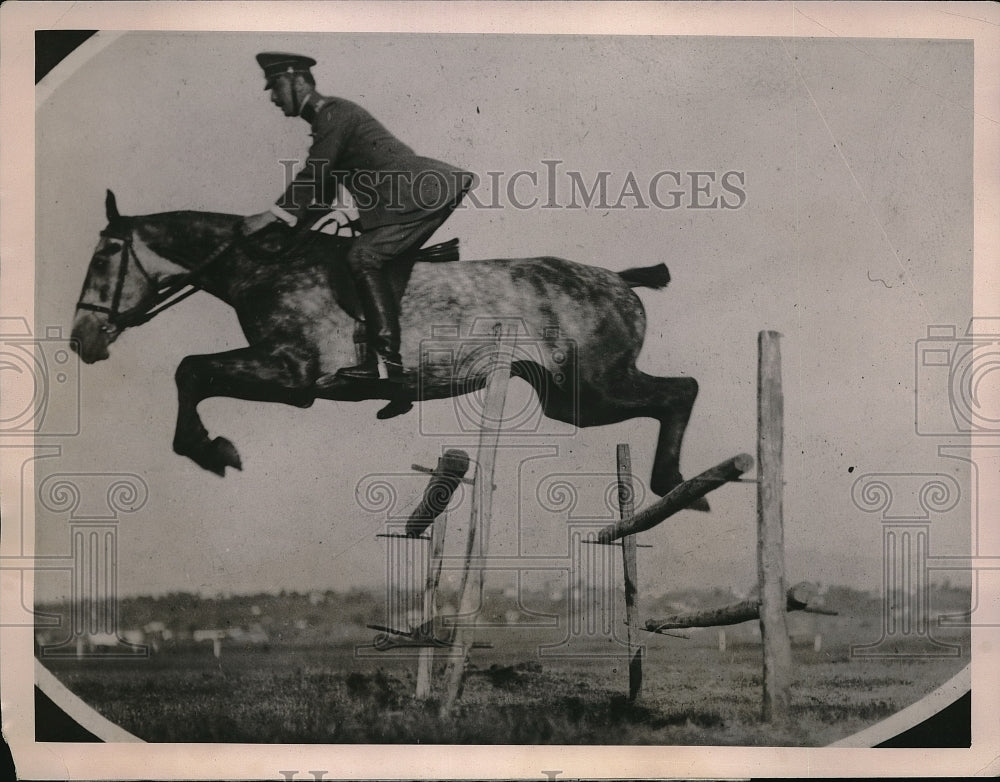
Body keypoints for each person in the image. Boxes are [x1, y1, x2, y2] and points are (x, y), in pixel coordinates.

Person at [244, 52, 473, 382]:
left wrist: (272, 215)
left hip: (419, 193)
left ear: (297, 80)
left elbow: (316, 171)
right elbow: (322, 198)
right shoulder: (328, 122)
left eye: (276, 85)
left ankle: (384, 363)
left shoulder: (333, 115)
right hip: (406, 197)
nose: (273, 97)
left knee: (364, 256)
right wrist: (287, 236)